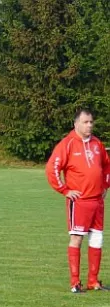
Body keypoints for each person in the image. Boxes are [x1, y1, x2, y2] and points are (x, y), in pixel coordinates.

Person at [46, 108, 110, 293]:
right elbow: (52, 168)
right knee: (77, 239)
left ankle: (93, 281)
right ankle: (75, 283)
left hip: (97, 201)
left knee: (97, 239)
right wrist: (64, 189)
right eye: (85, 122)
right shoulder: (67, 144)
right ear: (76, 124)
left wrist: (105, 185)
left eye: (91, 122)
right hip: (80, 201)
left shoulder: (97, 144)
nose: (89, 125)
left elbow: (106, 165)